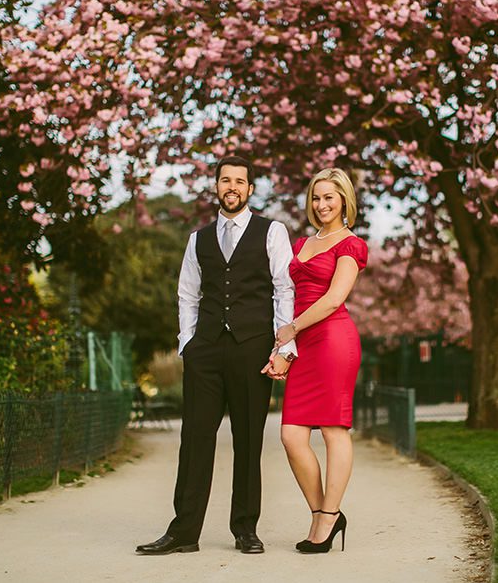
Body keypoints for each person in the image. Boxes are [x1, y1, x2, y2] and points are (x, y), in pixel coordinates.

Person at [136, 155, 298, 556]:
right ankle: (184, 531)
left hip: (252, 348)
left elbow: (284, 290)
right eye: (225, 180)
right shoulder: (198, 239)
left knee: (247, 440)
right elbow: (187, 294)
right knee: (194, 438)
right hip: (205, 350)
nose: (232, 187)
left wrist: (284, 347)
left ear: (249, 188)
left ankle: (245, 530)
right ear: (216, 186)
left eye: (240, 181)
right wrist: (187, 344)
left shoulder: (271, 231)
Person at [261, 167, 368, 554]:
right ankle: (323, 513)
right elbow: (285, 292)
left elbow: (334, 299)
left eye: (330, 197)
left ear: (344, 200)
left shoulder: (351, 244)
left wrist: (291, 330)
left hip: (333, 339)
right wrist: (284, 349)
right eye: (317, 197)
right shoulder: (303, 242)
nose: (322, 204)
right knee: (291, 434)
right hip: (302, 342)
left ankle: (327, 516)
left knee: (334, 430)